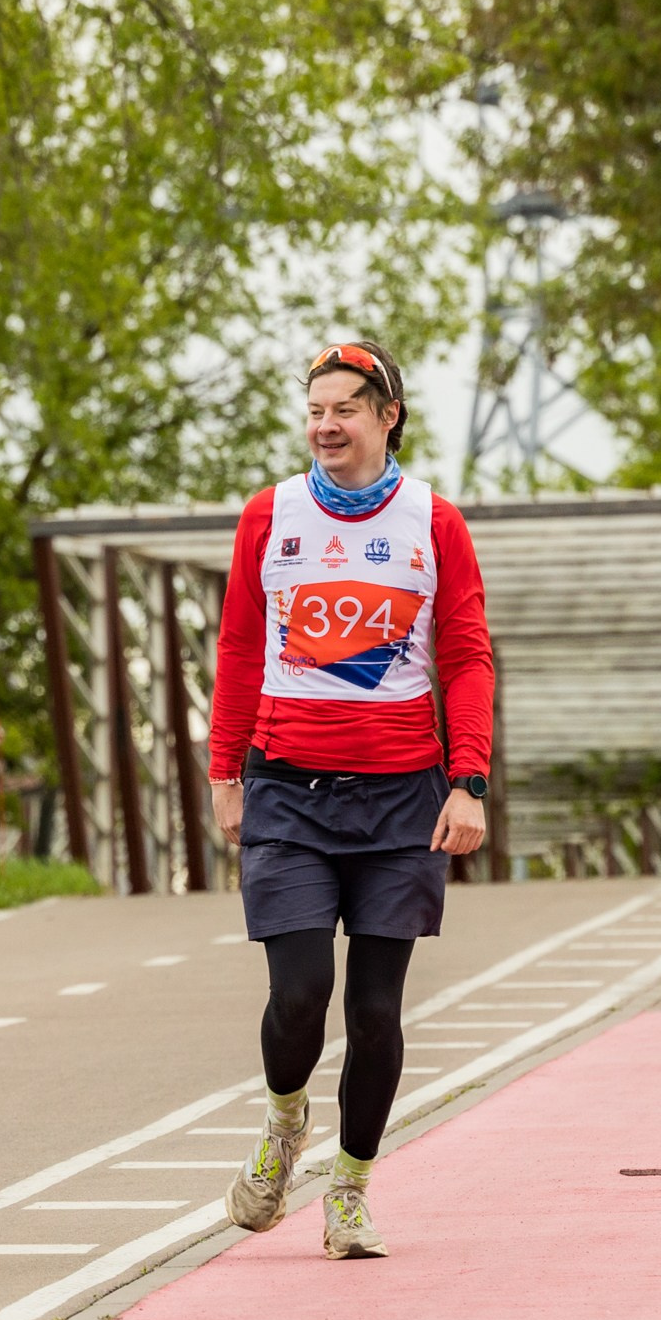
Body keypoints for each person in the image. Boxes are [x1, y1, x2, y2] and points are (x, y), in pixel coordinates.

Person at [208, 342, 494, 1259]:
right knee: (300, 994)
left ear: (387, 416)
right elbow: (241, 653)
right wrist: (225, 776)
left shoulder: (433, 523)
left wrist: (469, 779)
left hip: (401, 801)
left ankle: (352, 1190)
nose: (326, 426)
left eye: (345, 410)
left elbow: (465, 656)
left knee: (374, 1013)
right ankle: (285, 1121)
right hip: (288, 789)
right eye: (316, 410)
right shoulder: (270, 517)